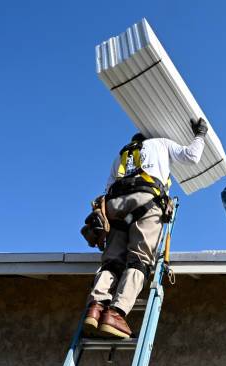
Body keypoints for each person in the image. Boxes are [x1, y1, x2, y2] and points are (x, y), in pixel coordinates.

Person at [83, 118, 209, 338]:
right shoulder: (160, 143)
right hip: (146, 202)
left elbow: (107, 188)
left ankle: (96, 307)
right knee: (139, 259)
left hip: (115, 207)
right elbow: (192, 157)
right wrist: (200, 134)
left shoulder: (122, 154)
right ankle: (116, 313)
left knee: (112, 261)